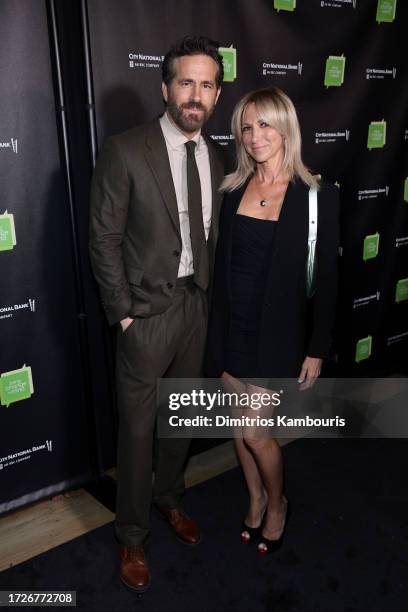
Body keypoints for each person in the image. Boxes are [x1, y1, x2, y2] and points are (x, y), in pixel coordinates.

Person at [89, 35, 225, 591]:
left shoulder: (216, 155)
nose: (196, 95)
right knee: (138, 434)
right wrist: (124, 315)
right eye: (186, 82)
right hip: (145, 317)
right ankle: (132, 535)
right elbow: (104, 238)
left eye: (208, 85)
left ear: (217, 94)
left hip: (197, 307)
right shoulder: (126, 149)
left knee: (181, 421)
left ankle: (171, 500)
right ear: (165, 86)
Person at [205, 87, 339, 555]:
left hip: (276, 334)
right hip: (229, 328)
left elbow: (327, 278)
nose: (254, 135)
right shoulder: (233, 188)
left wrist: (317, 347)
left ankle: (278, 504)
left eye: (264, 123)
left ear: (286, 127)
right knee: (237, 428)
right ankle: (256, 496)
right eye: (246, 126)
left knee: (255, 432)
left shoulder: (318, 196)